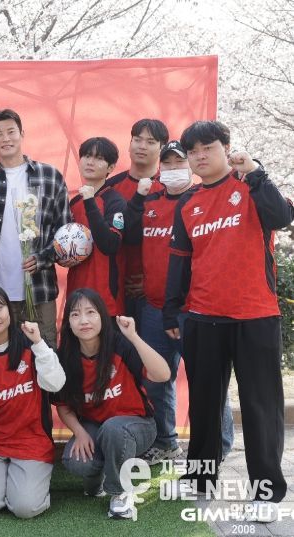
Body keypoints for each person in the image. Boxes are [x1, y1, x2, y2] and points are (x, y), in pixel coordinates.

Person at [163, 121, 294, 521]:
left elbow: (282, 217)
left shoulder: (251, 186)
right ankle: (200, 479)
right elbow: (180, 262)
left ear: (226, 147)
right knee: (204, 405)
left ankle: (266, 493)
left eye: (208, 147)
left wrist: (255, 173)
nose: (200, 156)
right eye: (193, 151)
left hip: (255, 315)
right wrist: (172, 309)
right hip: (203, 317)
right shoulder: (188, 203)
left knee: (260, 406)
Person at [124, 140, 234, 466]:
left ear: (191, 165)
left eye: (179, 162)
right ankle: (165, 442)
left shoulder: (203, 200)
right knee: (157, 380)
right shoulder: (150, 203)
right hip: (153, 309)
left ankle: (219, 446)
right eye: (168, 163)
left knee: (207, 380)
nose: (173, 169)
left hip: (196, 309)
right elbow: (131, 241)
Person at [0, 109, 70, 348]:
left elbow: (63, 232)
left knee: (45, 354)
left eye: (11, 132)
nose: (5, 139)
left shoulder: (50, 177)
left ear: (22, 134)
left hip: (38, 291)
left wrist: (42, 258)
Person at [55, 288, 169, 520]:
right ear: (68, 323)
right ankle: (97, 479)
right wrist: (80, 433)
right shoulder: (65, 357)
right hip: (95, 427)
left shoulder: (119, 344)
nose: (84, 320)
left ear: (102, 316)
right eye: (75, 314)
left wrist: (134, 337)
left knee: (114, 429)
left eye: (91, 312)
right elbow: (63, 405)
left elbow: (163, 374)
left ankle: (120, 492)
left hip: (137, 425)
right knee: (76, 461)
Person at [0, 282, 66, 519]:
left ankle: (26, 484)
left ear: (9, 308)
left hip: (31, 441)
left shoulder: (31, 342)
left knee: (25, 508)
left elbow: (56, 384)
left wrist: (40, 344)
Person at [107, 119, 168, 324]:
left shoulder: (171, 189)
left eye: (150, 142)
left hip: (156, 295)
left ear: (162, 148)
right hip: (115, 290)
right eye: (137, 139)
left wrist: (153, 281)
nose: (142, 146)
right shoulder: (110, 188)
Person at [59, 137, 127, 316]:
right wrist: (61, 255)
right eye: (87, 156)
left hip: (105, 299)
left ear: (110, 168)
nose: (90, 162)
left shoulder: (115, 201)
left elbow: (109, 244)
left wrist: (90, 201)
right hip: (76, 293)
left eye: (99, 158)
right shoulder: (74, 202)